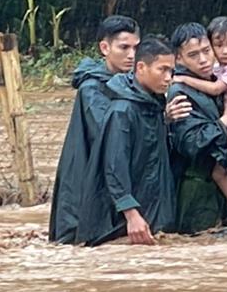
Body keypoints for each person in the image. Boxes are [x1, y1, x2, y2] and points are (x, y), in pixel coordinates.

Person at [49, 16, 190, 244]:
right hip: (89, 183)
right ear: (105, 48)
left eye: (136, 47)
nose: (132, 54)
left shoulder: (142, 88)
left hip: (123, 187)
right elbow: (109, 139)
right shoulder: (94, 89)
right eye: (124, 47)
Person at [75, 38, 177, 246]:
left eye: (172, 72)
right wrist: (131, 214)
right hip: (120, 222)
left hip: (149, 214)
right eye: (162, 70)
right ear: (141, 67)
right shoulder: (123, 111)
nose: (168, 78)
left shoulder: (152, 105)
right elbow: (114, 167)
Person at [168, 22, 227, 232]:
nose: (203, 59)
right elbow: (192, 144)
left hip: (217, 193)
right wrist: (226, 121)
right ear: (178, 58)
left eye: (206, 51)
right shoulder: (180, 92)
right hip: (196, 197)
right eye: (193, 55)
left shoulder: (217, 79)